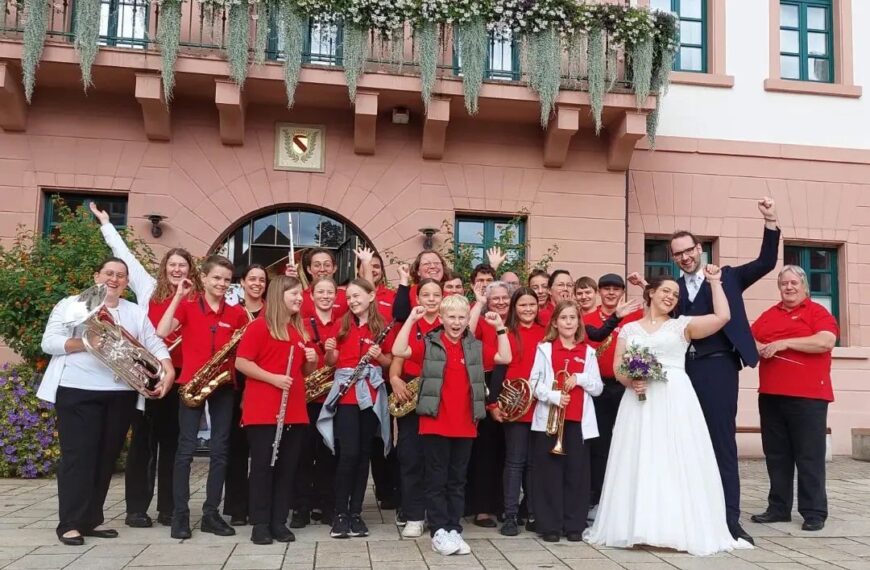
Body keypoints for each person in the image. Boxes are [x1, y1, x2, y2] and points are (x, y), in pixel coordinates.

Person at [629, 196, 780, 544]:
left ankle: (730, 520)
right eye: (678, 253)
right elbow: (660, 314)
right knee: (682, 443)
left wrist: (770, 221)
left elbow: (767, 262)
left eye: (689, 250)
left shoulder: (728, 277)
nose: (685, 257)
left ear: (700, 248)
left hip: (718, 369)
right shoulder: (674, 288)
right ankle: (689, 514)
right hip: (680, 374)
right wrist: (644, 288)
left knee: (721, 443)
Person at [585, 269, 754, 556]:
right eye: (665, 291)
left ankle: (673, 527)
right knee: (640, 459)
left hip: (675, 398)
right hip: (638, 402)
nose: (670, 297)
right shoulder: (629, 329)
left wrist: (715, 282)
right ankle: (636, 526)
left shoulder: (682, 326)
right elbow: (617, 368)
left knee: (672, 458)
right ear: (651, 292)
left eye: (675, 295)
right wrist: (631, 379)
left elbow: (723, 317)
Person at [39, 257, 174, 545]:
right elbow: (49, 342)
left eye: (121, 276)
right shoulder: (71, 304)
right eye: (109, 273)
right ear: (96, 275)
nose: (114, 279)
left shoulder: (134, 311)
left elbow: (153, 341)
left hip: (120, 394)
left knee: (105, 458)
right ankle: (69, 523)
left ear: (126, 283)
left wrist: (167, 365)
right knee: (79, 458)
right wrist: (85, 343)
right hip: (77, 390)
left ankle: (90, 520)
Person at [91, 202, 198, 529]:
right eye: (173, 265)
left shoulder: (197, 297)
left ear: (190, 270)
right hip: (147, 377)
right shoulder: (149, 287)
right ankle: (137, 508)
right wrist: (107, 225)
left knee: (172, 447)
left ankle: (168, 508)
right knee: (142, 446)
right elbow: (123, 253)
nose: (177, 270)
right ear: (166, 267)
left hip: (179, 381)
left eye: (183, 266)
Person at [392, 297, 510, 556]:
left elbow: (505, 355)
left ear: (468, 320)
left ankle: (454, 528)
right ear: (442, 319)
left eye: (461, 318)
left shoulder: (475, 347)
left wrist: (500, 327)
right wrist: (411, 320)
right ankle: (438, 531)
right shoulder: (431, 343)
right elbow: (399, 350)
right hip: (435, 423)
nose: (456, 322)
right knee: (437, 480)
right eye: (451, 317)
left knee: (457, 480)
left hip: (466, 425)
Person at [157, 255, 250, 539]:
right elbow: (161, 331)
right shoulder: (187, 306)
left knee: (221, 451)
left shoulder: (235, 313)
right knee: (184, 451)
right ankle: (180, 515)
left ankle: (211, 513)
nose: (221, 283)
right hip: (191, 385)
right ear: (205, 278)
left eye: (226, 279)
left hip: (222, 386)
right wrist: (178, 296)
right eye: (217, 278)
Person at [750, 265, 837, 532]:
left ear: (804, 286)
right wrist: (758, 347)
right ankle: (778, 508)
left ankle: (814, 512)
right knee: (776, 455)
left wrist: (785, 343)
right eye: (784, 283)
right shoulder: (770, 314)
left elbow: (826, 341)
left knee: (809, 456)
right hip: (771, 395)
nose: (788, 287)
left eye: (793, 283)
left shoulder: (816, 312)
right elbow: (750, 337)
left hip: (808, 397)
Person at [235, 276, 318, 545]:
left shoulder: (298, 331)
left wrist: (311, 362)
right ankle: (260, 523)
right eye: (293, 294)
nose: (299, 298)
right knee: (262, 467)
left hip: (294, 410)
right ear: (279, 296)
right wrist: (273, 379)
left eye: (300, 295)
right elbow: (242, 363)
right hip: (263, 410)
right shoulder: (259, 328)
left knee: (286, 468)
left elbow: (303, 373)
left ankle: (278, 521)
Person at [316, 279, 394, 539]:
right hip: (347, 396)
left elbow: (389, 361)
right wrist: (330, 354)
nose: (352, 301)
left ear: (371, 296)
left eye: (357, 296)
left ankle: (356, 512)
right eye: (348, 297)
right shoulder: (342, 324)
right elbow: (331, 363)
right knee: (347, 454)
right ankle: (340, 513)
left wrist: (378, 356)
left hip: (370, 397)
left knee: (363, 456)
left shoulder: (382, 325)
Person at [529, 300, 602, 543]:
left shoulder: (588, 352)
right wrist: (553, 395)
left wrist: (580, 378)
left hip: (577, 421)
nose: (569, 322)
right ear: (555, 323)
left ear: (579, 322)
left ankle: (574, 525)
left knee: (577, 475)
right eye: (564, 318)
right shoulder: (545, 349)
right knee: (549, 474)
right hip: (551, 420)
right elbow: (533, 383)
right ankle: (550, 525)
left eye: (573, 318)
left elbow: (599, 388)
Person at [584, 274, 644, 519]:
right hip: (596, 387)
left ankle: (625, 497)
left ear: (622, 292)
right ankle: (597, 497)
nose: (610, 293)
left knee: (627, 441)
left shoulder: (636, 315)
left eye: (615, 289)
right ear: (599, 291)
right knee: (599, 444)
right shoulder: (586, 317)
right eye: (606, 288)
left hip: (625, 386)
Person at [388, 279, 443, 538]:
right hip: (411, 391)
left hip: (442, 395)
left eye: (436, 294)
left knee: (437, 460)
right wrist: (395, 378)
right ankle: (413, 515)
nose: (431, 299)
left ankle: (436, 515)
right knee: (410, 457)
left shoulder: (450, 324)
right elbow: (397, 359)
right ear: (417, 298)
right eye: (426, 294)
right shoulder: (411, 324)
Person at [492, 287, 546, 536]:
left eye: (532, 305)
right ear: (514, 307)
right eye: (522, 305)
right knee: (515, 462)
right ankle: (510, 515)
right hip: (515, 407)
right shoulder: (507, 332)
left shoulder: (547, 333)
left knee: (536, 464)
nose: (527, 309)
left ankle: (533, 512)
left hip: (542, 405)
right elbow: (499, 370)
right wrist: (494, 404)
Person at [291, 277, 339, 529]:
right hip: (306, 398)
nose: (325, 296)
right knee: (303, 454)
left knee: (329, 455)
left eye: (330, 292)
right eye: (320, 291)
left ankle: (326, 505)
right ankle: (301, 507)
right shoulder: (300, 323)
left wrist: (331, 353)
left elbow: (338, 361)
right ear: (312, 295)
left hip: (331, 398)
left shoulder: (341, 324)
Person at [224, 264, 268, 527]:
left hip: (262, 384)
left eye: (262, 280)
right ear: (242, 282)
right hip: (235, 383)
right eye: (252, 279)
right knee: (236, 447)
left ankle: (258, 504)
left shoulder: (271, 312)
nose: (257, 283)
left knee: (261, 449)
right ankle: (237, 507)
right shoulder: (233, 312)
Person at [466, 281, 512, 529]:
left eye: (505, 297)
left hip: (514, 387)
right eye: (496, 298)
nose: (502, 302)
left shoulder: (514, 322)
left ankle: (504, 505)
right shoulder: (483, 320)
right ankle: (482, 508)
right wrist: (480, 303)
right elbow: (468, 334)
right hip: (487, 385)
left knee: (508, 453)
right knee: (485, 451)